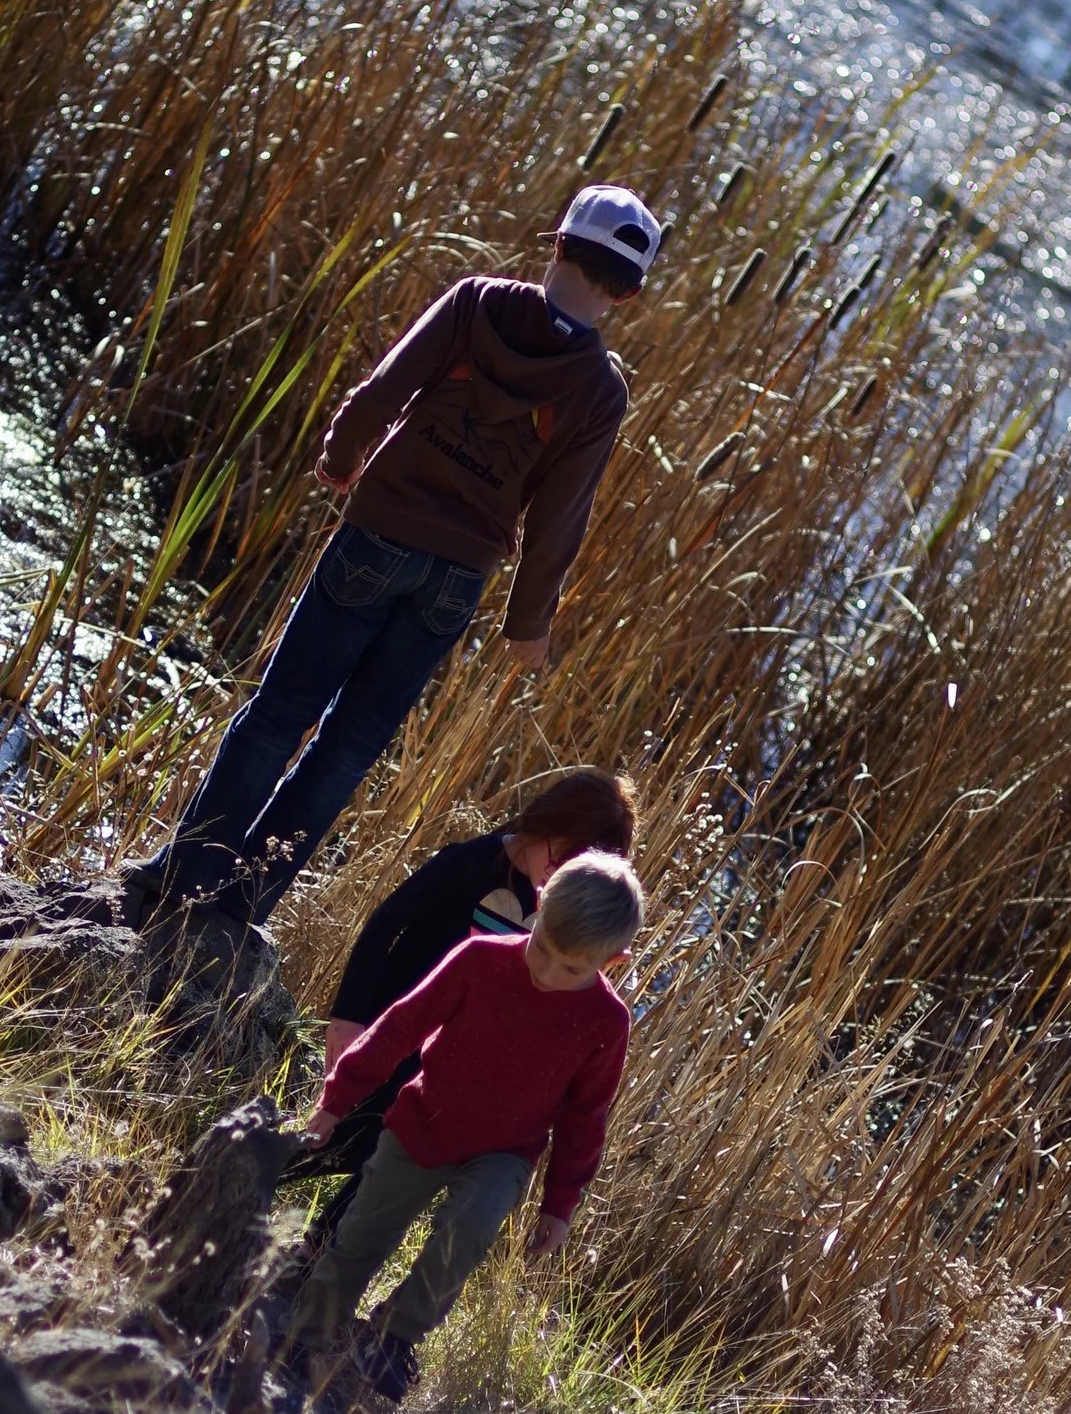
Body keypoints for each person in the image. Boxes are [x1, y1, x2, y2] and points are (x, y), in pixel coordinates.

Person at [119, 182, 663, 932]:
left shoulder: (476, 302)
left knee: (278, 715)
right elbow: (558, 521)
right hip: (455, 579)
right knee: (347, 749)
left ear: (559, 244)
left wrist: (343, 455)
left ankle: (183, 873)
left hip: (376, 539)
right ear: (628, 296)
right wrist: (528, 622)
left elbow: (383, 391)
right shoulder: (600, 391)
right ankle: (237, 908)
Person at [287, 849, 642, 1398]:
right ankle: (308, 1333)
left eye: (571, 968)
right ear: (540, 905)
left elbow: (585, 1116)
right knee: (360, 1236)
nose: (546, 973)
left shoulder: (606, 1022)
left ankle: (393, 1338)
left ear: (613, 961)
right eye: (542, 947)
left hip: (504, 1151)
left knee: (467, 1235)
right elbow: (399, 1028)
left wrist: (560, 1205)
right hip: (422, 1121)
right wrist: (336, 1101)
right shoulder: (479, 959)